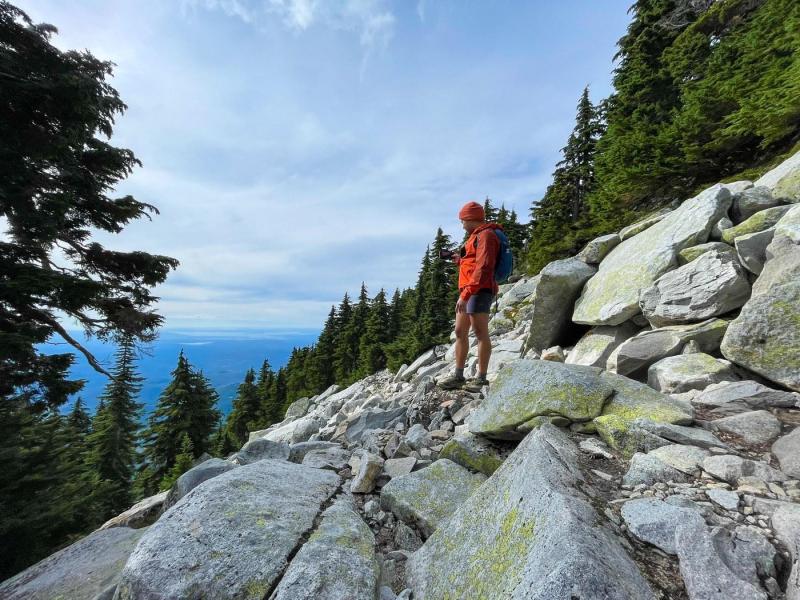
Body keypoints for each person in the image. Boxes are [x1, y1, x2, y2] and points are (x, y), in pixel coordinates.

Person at [439, 201, 502, 392]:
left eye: (462, 221)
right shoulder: (476, 236)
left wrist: (466, 294)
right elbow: (473, 262)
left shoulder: (486, 235)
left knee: (480, 332)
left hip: (479, 290)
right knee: (460, 331)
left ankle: (481, 378)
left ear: (470, 218)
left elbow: (483, 268)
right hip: (469, 290)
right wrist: (457, 259)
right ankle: (458, 375)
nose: (462, 225)